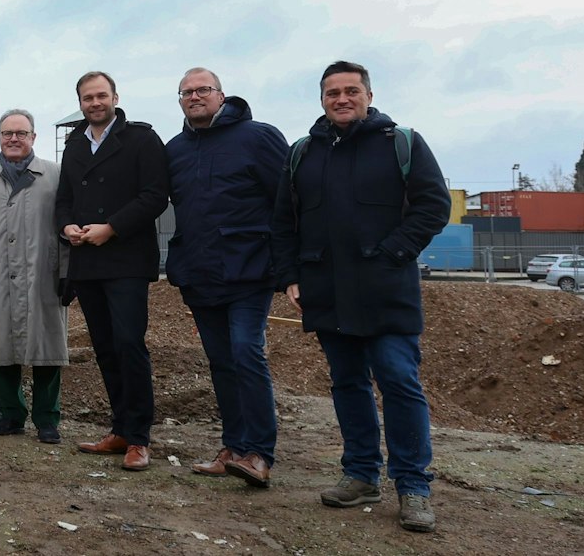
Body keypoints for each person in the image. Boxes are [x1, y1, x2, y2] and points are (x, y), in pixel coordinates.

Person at [272, 60, 451, 536]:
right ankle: (360, 475)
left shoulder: (401, 144)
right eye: (333, 93)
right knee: (347, 383)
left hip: (386, 289)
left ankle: (413, 486)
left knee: (398, 380)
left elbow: (434, 206)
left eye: (351, 90)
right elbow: (284, 222)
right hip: (326, 290)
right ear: (322, 100)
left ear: (369, 96)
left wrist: (393, 253)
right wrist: (290, 276)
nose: (342, 99)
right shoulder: (303, 153)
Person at [165, 66, 290, 487]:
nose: (194, 97)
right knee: (221, 361)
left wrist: (289, 264)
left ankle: (259, 453)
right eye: (186, 92)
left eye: (202, 89)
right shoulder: (176, 150)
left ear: (221, 95)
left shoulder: (258, 137)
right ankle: (234, 447)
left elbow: (287, 201)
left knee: (246, 352)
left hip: (249, 268)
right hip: (200, 273)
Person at [56, 70, 170, 472]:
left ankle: (138, 438)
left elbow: (155, 196)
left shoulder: (142, 139)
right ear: (80, 103)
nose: (95, 103)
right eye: (88, 98)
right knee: (104, 347)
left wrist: (112, 227)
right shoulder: (74, 145)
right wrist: (66, 226)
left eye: (101, 96)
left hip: (126, 260)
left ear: (115, 98)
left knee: (128, 344)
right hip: (87, 261)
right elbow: (64, 199)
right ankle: (120, 428)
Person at [0, 111, 70, 444]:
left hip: (43, 274)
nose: (14, 139)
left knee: (47, 347)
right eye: (7, 133)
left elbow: (66, 227)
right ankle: (11, 414)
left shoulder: (54, 175)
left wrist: (68, 271)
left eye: (21, 133)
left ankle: (47, 418)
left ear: (33, 137)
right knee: (1, 348)